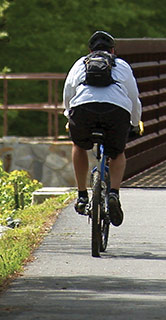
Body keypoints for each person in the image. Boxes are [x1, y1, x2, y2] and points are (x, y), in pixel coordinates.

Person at [63, 30, 142, 227]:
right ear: (113, 50)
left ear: (90, 50)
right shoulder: (121, 65)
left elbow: (68, 92)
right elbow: (133, 98)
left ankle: (81, 195)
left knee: (79, 146)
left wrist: (68, 116)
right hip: (115, 112)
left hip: (83, 109)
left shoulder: (80, 63)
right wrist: (135, 123)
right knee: (117, 152)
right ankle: (114, 193)